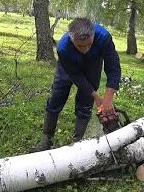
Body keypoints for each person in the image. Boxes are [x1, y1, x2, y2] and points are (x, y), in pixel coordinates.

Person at [31, 17, 121, 152]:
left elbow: (113, 68)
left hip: (93, 65)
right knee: (57, 95)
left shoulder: (103, 38)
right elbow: (76, 76)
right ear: (71, 38)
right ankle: (46, 138)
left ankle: (77, 143)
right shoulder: (63, 47)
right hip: (69, 67)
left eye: (89, 45)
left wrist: (107, 99)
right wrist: (96, 96)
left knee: (86, 101)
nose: (85, 49)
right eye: (80, 46)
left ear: (93, 35)